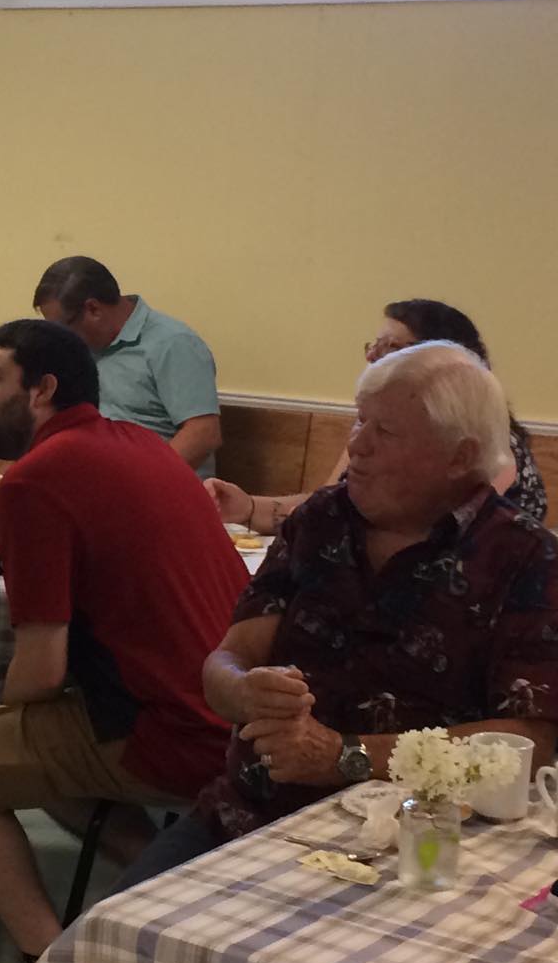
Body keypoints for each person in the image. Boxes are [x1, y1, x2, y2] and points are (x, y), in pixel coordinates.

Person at [112, 341, 558, 896]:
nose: (356, 445)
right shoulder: (321, 520)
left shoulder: (523, 556)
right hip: (251, 812)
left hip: (420, 841)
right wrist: (244, 689)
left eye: (384, 432)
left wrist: (345, 756)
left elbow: (524, 741)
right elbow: (230, 657)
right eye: (358, 420)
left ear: (459, 457)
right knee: (105, 936)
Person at [0, 319, 250, 963]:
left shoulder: (34, 480)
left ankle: (48, 952)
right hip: (238, 719)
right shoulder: (142, 446)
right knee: (34, 733)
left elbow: (39, 671)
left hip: (173, 734)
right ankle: (155, 871)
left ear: (43, 391)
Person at [206, 299, 547, 529]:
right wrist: (249, 508)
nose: (373, 358)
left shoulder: (494, 449)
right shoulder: (371, 425)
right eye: (375, 345)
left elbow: (436, 537)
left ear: (444, 365)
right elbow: (326, 503)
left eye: (393, 349)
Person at [0, 256, 221, 510]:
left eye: (61, 327)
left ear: (93, 309)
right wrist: (4, 478)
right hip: (85, 496)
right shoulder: (74, 350)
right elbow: (40, 420)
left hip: (159, 501)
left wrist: (136, 488)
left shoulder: (173, 344)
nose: (57, 337)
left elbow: (202, 433)